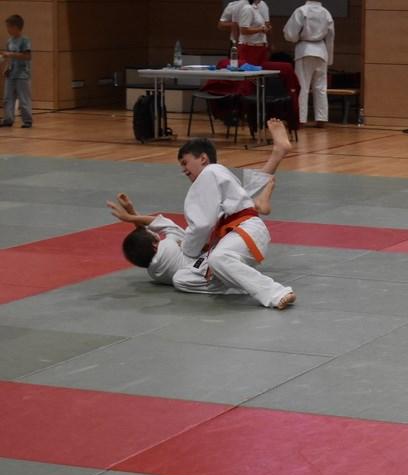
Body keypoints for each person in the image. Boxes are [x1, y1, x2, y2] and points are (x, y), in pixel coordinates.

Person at [110, 119, 296, 310]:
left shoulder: (209, 173)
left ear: (203, 159)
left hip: (242, 231)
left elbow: (202, 225)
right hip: (235, 234)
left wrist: (188, 248)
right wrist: (133, 216)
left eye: (185, 163)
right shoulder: (213, 177)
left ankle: (275, 293)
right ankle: (273, 166)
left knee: (216, 258)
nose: (183, 169)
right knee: (196, 270)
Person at [283, 1, 335, 127]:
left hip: (305, 50)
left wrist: (295, 38)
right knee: (321, 87)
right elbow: (330, 37)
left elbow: (290, 34)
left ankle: (300, 119)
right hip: (321, 50)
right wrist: (329, 59)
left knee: (302, 86)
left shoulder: (302, 10)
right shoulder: (326, 13)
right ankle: (321, 119)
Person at [0, 14, 32, 128]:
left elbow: (27, 56)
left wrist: (11, 54)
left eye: (9, 27)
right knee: (7, 97)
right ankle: (8, 119)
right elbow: (9, 58)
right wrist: (7, 68)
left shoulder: (25, 40)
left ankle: (27, 121)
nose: (7, 29)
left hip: (22, 74)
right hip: (11, 73)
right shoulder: (9, 41)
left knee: (23, 98)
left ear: (16, 27)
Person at [238, 0, 272, 66]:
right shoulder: (247, 8)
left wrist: (265, 28)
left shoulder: (256, 8)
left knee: (261, 71)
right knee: (250, 70)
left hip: (259, 47)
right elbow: (243, 30)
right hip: (250, 48)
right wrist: (261, 29)